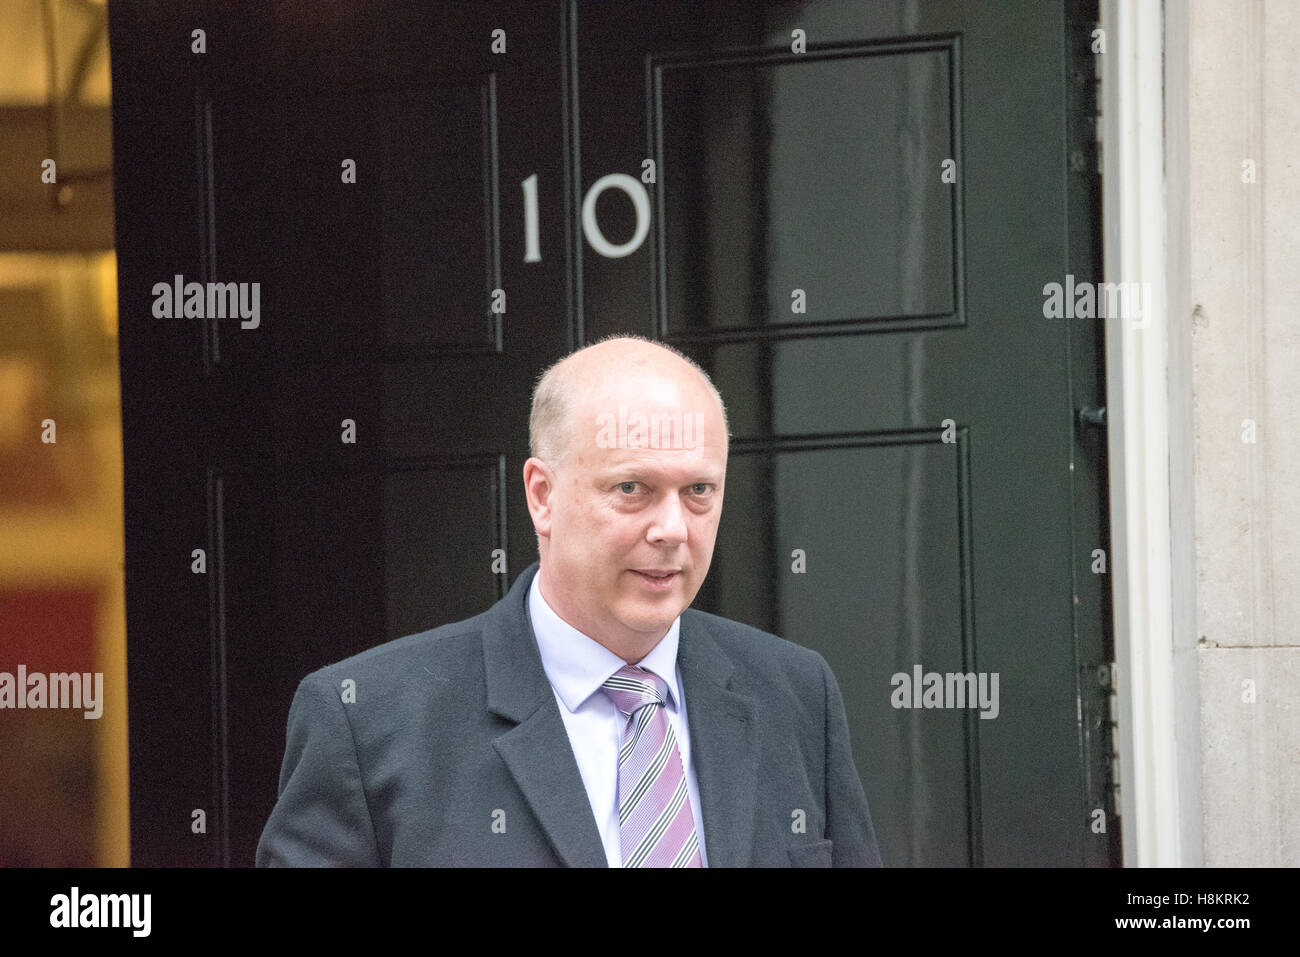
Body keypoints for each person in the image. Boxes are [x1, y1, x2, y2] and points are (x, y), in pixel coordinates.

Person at [256, 335, 881, 867]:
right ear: (541, 495)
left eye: (698, 490)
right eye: (632, 487)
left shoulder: (796, 694)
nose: (672, 528)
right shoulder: (366, 723)